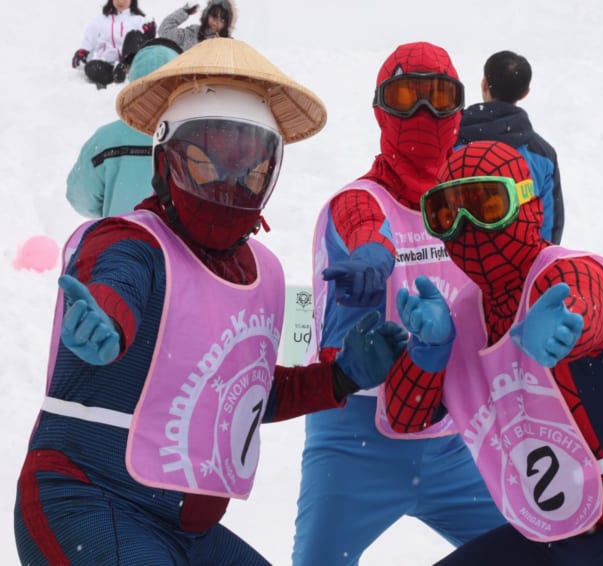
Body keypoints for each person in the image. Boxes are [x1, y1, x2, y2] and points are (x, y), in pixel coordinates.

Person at [14, 37, 408, 565]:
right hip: (88, 497)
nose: (228, 185)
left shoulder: (258, 272)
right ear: (165, 161)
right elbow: (117, 281)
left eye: (249, 171)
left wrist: (338, 377)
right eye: (205, 162)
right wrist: (107, 319)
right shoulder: (131, 241)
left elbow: (240, 396)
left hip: (184, 530)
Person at [388, 140, 603, 565]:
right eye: (445, 212)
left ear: (529, 206)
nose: (466, 225)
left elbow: (588, 299)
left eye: (487, 204)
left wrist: (571, 325)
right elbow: (407, 415)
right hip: (562, 534)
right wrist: (428, 352)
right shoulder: (463, 315)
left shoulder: (565, 270)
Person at [292, 42, 506, 565]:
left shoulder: (464, 206)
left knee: (534, 550)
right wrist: (371, 253)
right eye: (407, 96)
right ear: (381, 110)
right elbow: (363, 222)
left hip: (450, 436)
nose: (424, 114)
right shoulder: (360, 199)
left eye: (439, 98)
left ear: (459, 109)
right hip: (352, 438)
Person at [66, 38, 182, 218]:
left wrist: (112, 209)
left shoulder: (105, 141)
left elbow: (80, 198)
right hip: (177, 244)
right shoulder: (194, 139)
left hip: (120, 240)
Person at [457, 50, 564, 243]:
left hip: (453, 264)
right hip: (522, 267)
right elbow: (550, 230)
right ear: (525, 93)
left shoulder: (451, 144)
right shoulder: (543, 155)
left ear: (484, 84)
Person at [72, 0, 156, 89]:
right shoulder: (100, 21)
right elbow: (88, 42)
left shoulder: (139, 20)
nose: (121, 2)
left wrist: (149, 32)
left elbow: (149, 44)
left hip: (132, 64)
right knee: (91, 67)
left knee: (134, 35)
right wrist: (82, 53)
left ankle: (126, 68)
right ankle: (117, 77)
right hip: (109, 67)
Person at [158, 0, 234, 52]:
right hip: (184, 74)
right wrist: (184, 12)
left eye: (222, 20)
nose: (217, 22)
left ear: (227, 24)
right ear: (207, 15)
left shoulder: (229, 46)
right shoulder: (192, 33)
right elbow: (165, 32)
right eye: (214, 16)